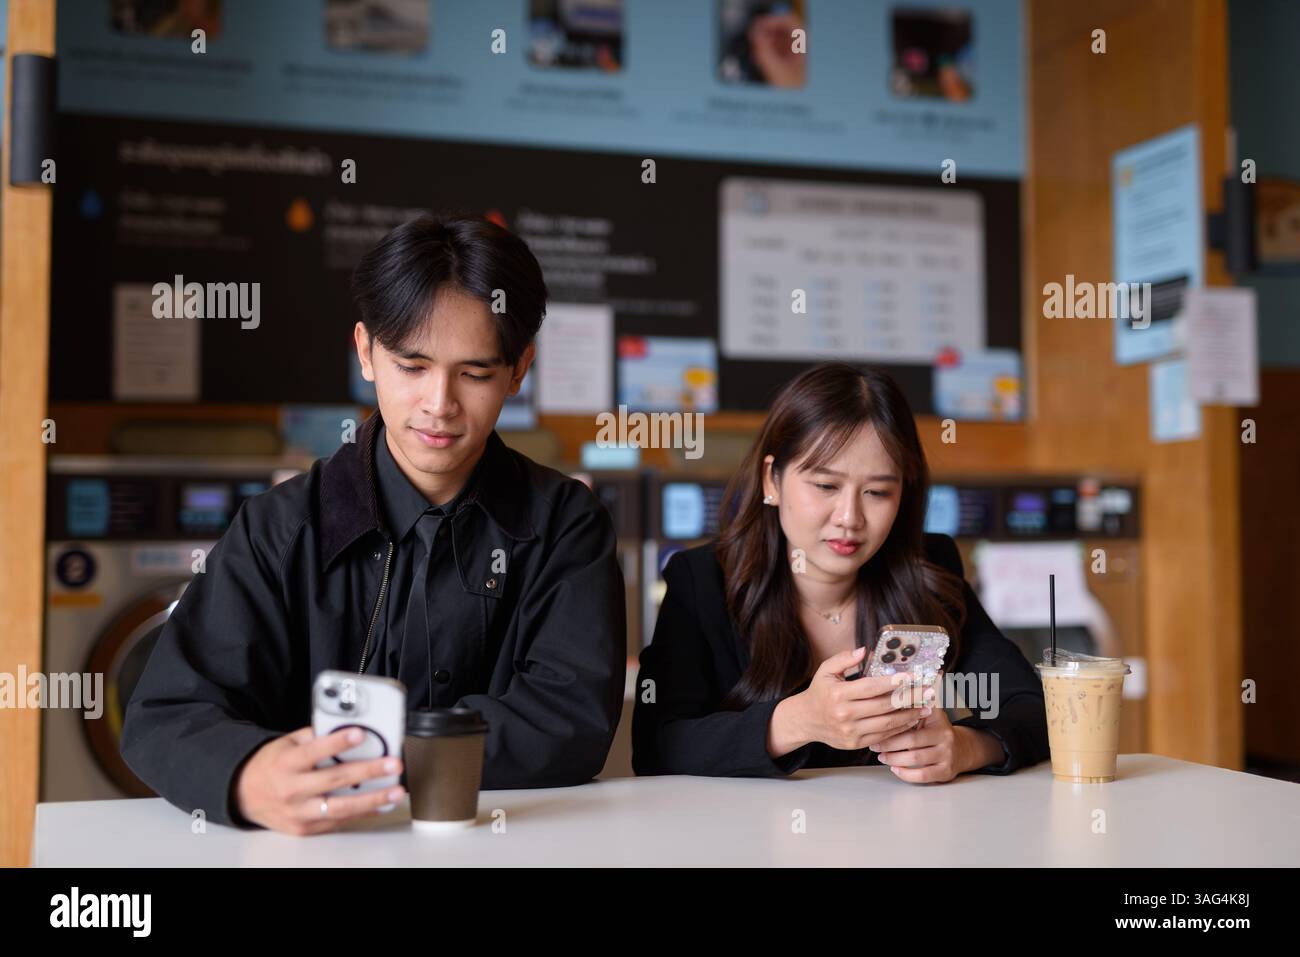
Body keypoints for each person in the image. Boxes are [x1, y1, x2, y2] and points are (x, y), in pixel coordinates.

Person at [121, 213, 627, 835]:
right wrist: (248, 775)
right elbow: (168, 712)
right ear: (365, 351)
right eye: (412, 367)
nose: (439, 404)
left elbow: (570, 720)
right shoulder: (277, 529)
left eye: (474, 374)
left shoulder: (566, 526)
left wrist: (370, 758)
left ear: (519, 369)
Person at [632, 362, 1049, 783]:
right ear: (771, 480)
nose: (850, 518)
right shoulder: (702, 581)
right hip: (746, 826)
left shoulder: (926, 570)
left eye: (877, 492)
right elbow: (656, 747)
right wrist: (798, 721)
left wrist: (964, 747)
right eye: (826, 486)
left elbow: (1033, 706)